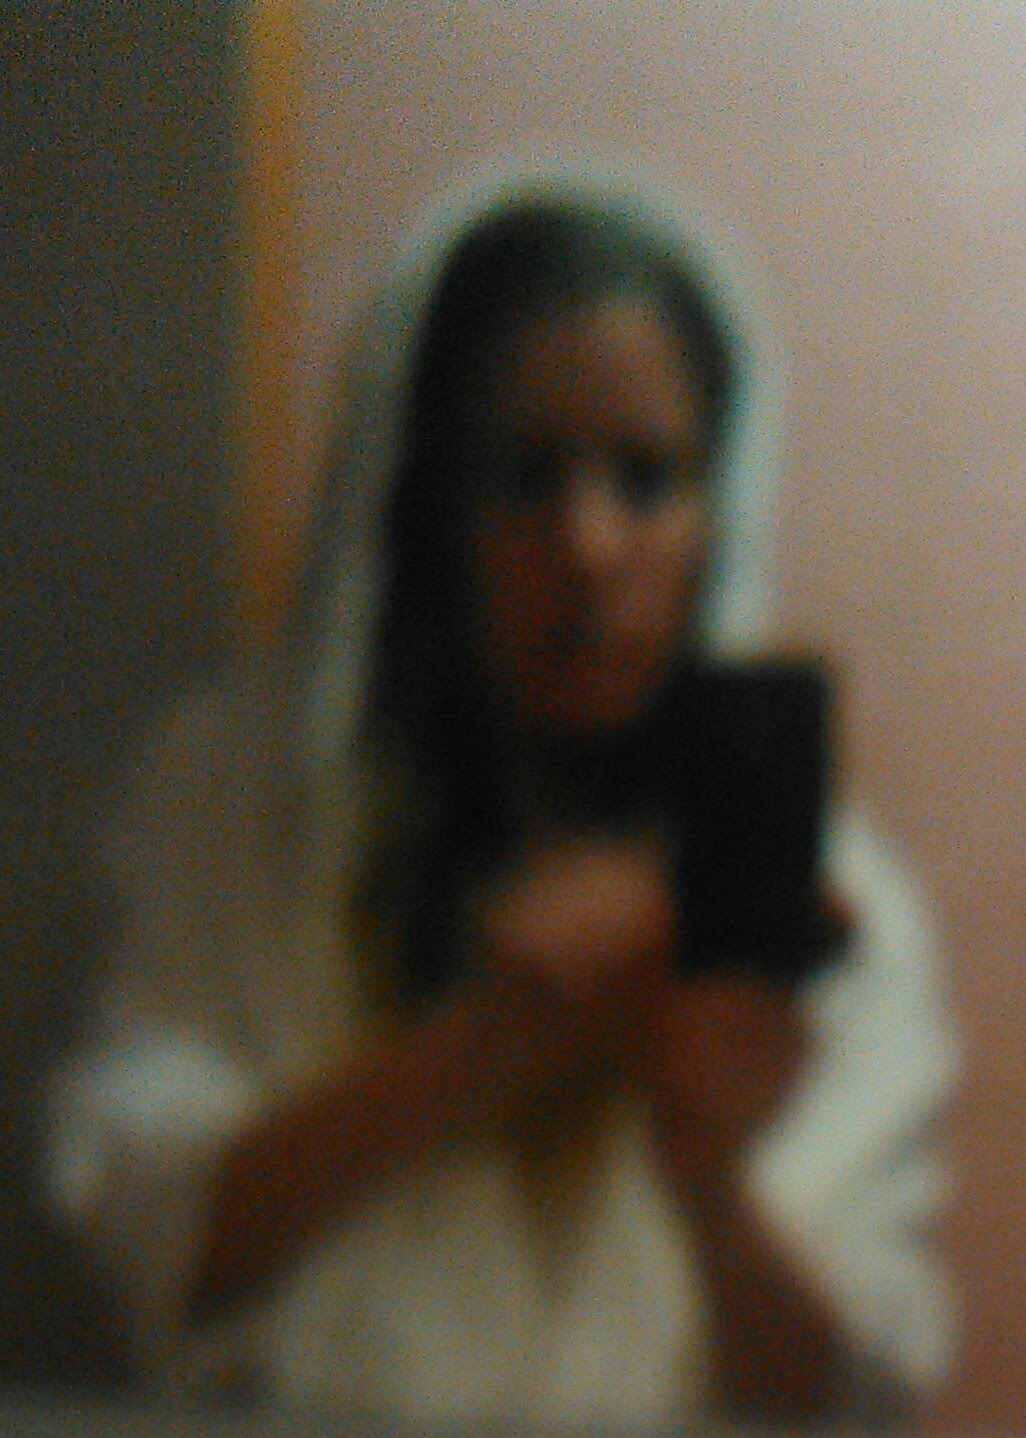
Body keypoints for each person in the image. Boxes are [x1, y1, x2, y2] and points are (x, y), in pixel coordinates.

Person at [44, 164, 958, 1427]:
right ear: (427, 500)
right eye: (527, 476)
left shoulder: (825, 902)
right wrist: (480, 1046)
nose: (590, 546)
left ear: (718, 510)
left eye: (648, 478)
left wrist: (711, 1181)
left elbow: (849, 1405)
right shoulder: (242, 815)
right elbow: (149, 1238)